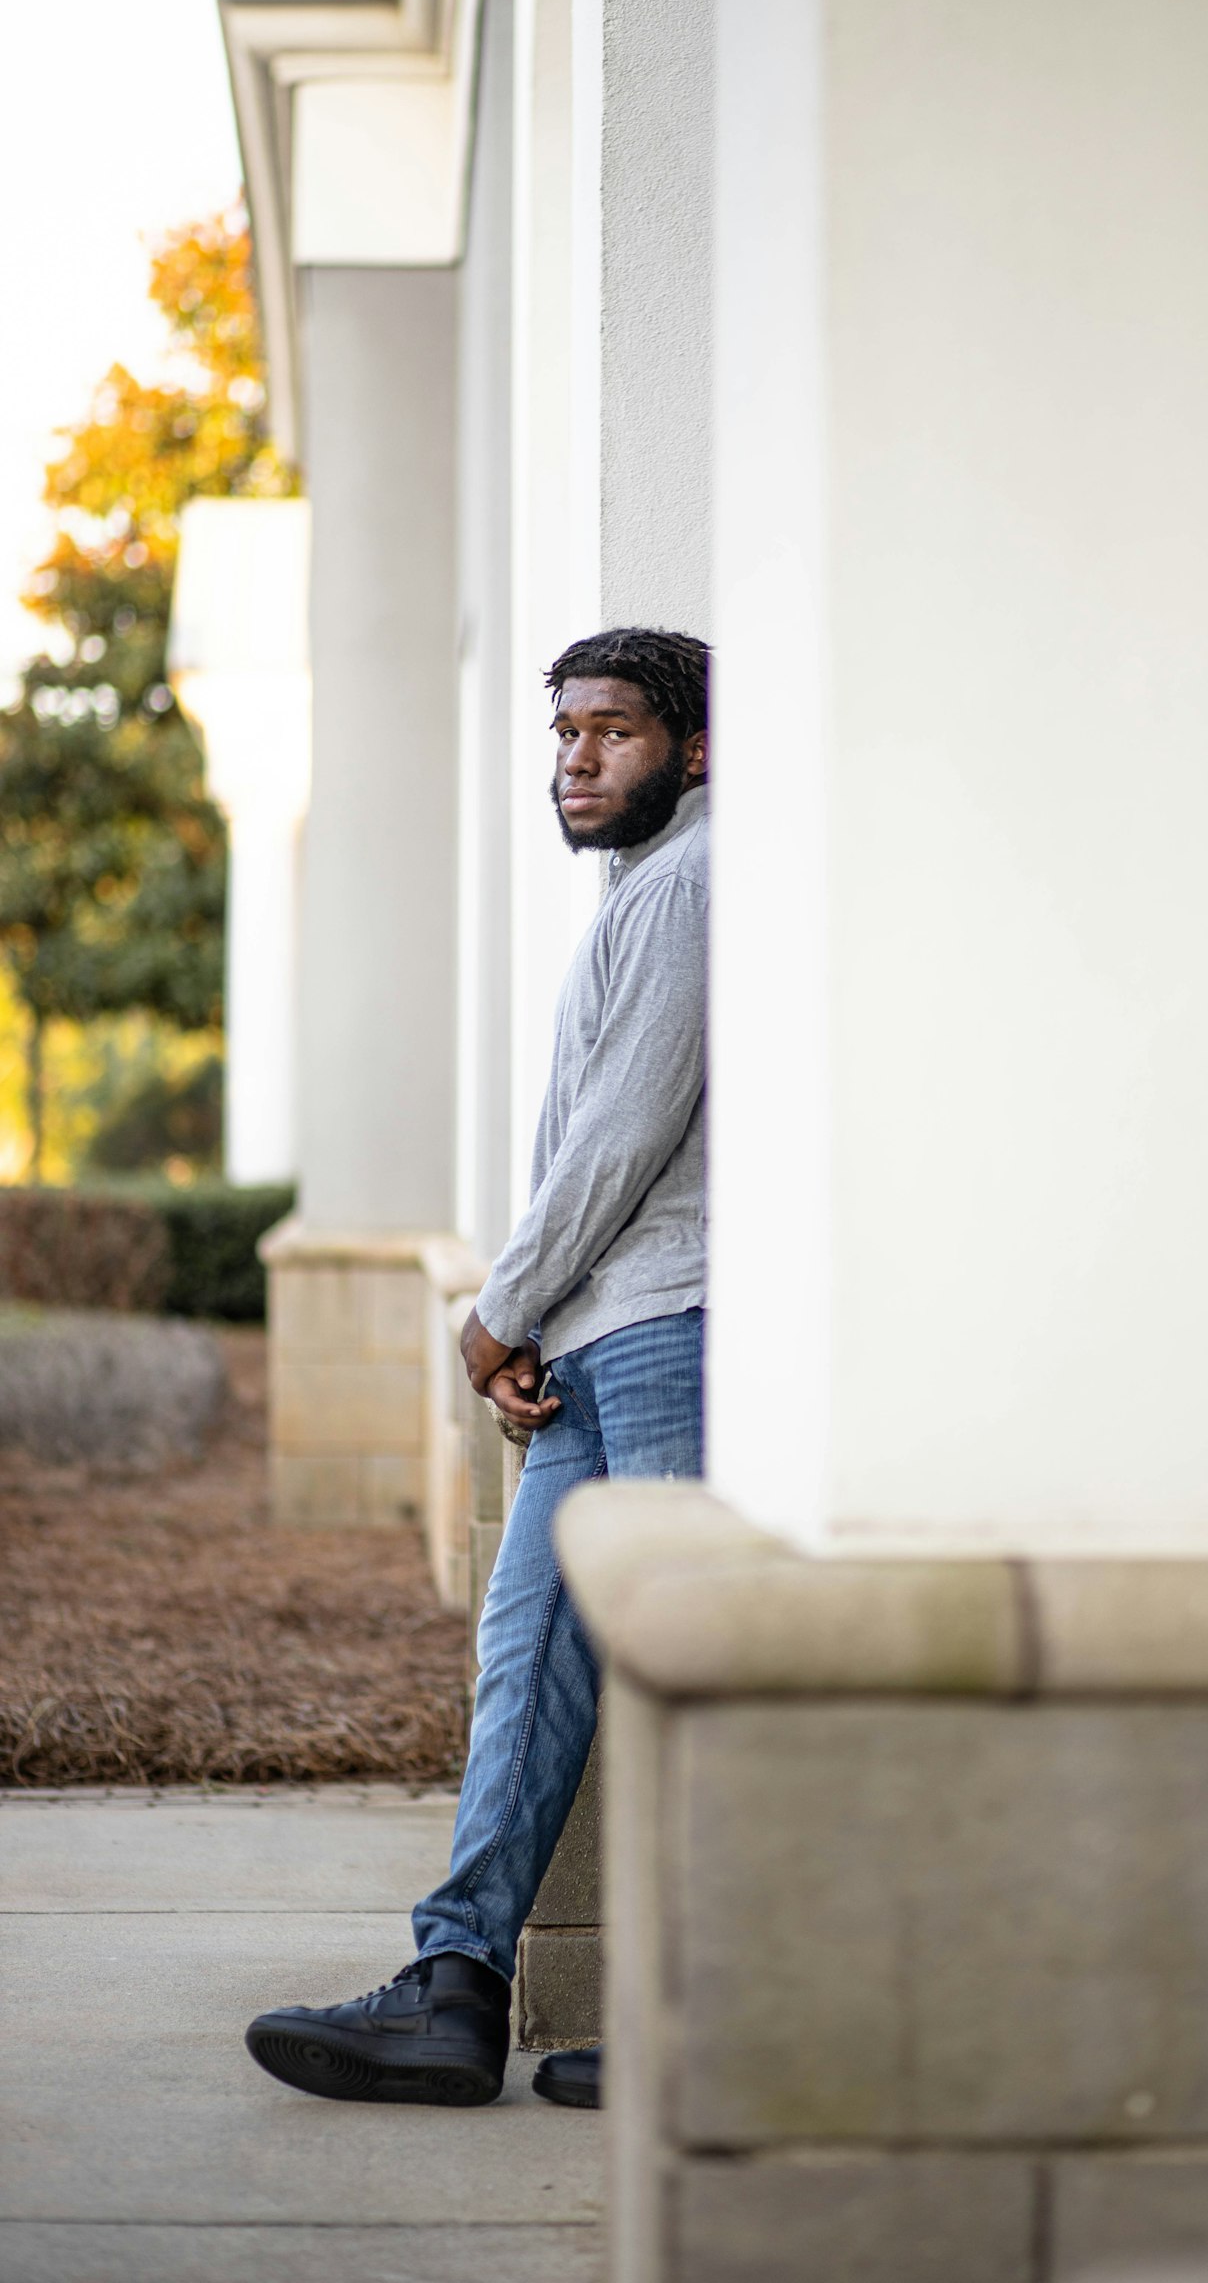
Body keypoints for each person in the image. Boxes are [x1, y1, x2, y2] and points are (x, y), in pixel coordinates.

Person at [245, 627, 709, 2112]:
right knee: (530, 1668)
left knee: (685, 1678)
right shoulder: (651, 892)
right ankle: (457, 1989)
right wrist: (538, 1322)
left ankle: (709, 2023)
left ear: (695, 750)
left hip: (670, 1328)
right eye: (566, 732)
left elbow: (624, 1137)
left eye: (615, 731)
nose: (577, 758)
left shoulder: (701, 883)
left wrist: (495, 1313)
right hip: (599, 1334)